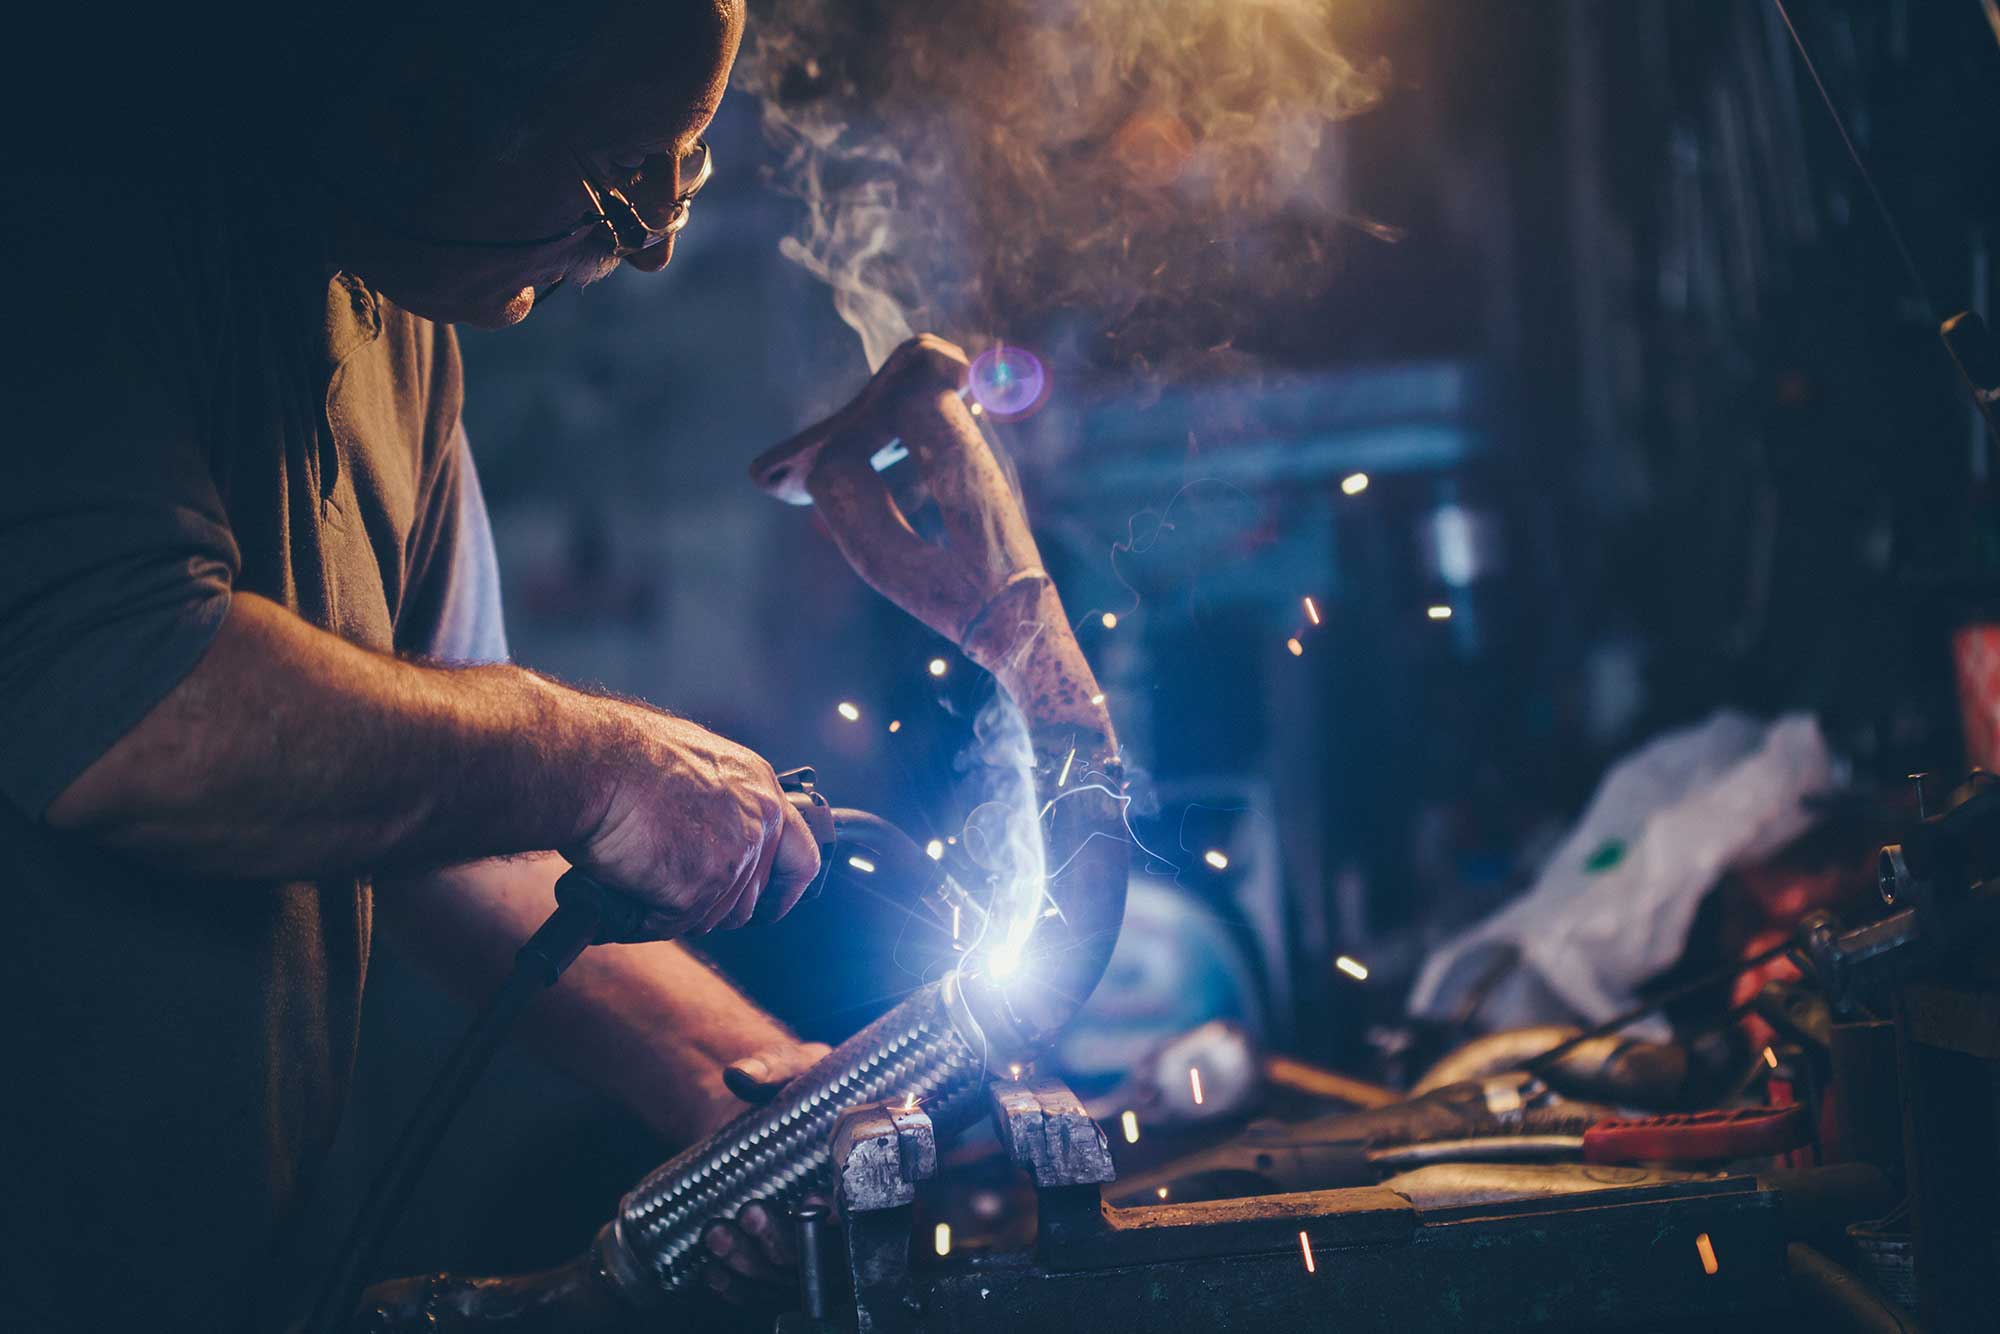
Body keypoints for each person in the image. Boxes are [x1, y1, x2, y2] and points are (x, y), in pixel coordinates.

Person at [0, 1, 823, 1326]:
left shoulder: (402, 323)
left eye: (687, 170)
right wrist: (598, 759)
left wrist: (765, 1082)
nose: (658, 245)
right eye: (618, 185)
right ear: (418, 91)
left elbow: (452, 820)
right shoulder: (66, 195)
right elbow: (129, 701)